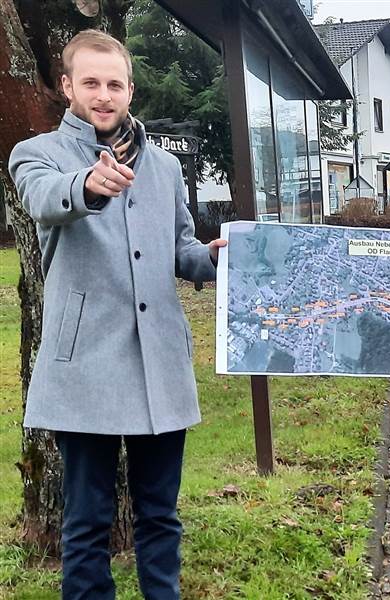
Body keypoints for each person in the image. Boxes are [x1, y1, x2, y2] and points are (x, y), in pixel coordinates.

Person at [9, 29, 226, 599]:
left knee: (161, 516)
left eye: (115, 84)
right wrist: (88, 184)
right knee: (86, 524)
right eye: (90, 83)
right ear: (67, 87)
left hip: (160, 362)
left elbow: (180, 252)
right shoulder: (37, 155)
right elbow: (44, 196)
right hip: (85, 365)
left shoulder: (166, 169)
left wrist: (212, 257)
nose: (103, 95)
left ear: (130, 89)